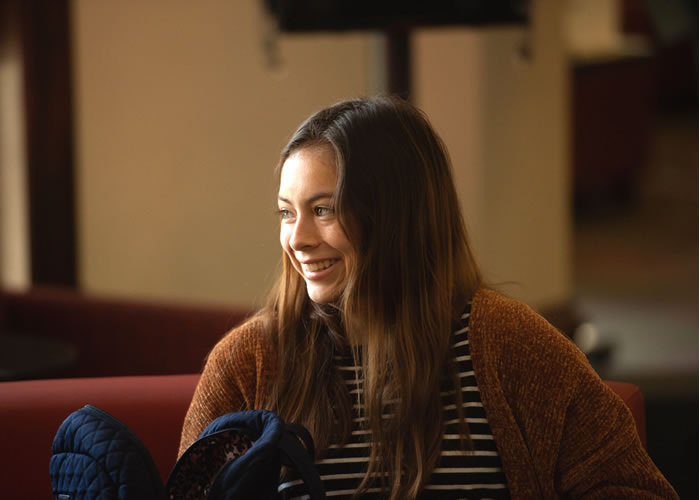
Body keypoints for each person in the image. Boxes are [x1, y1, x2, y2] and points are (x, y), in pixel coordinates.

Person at [179, 96, 677, 499]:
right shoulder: (250, 361)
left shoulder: (510, 344)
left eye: (324, 210)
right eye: (287, 213)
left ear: (398, 218)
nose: (298, 238)